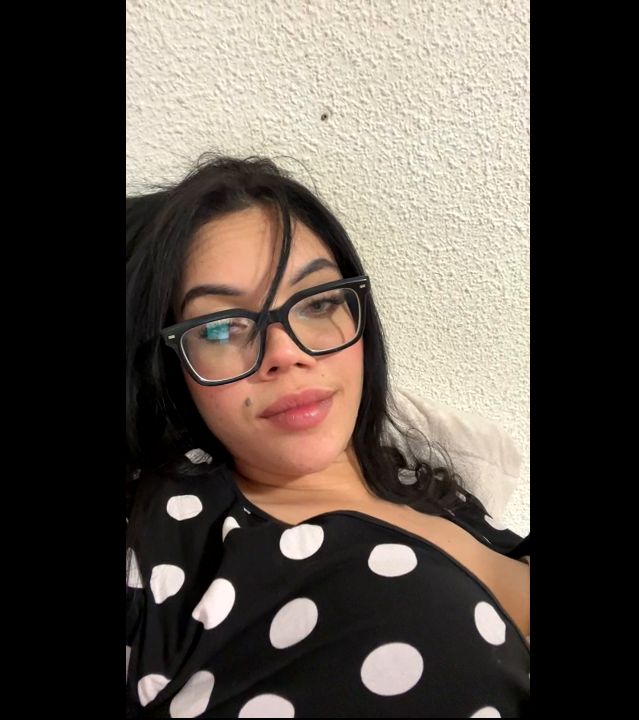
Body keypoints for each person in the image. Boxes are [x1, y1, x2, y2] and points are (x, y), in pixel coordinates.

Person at [126, 155, 529, 718]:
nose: (286, 352)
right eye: (220, 327)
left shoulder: (426, 481)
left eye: (318, 303)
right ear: (174, 369)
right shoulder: (168, 536)